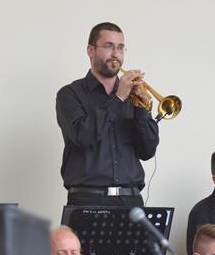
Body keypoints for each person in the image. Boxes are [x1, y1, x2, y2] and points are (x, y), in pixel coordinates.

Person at [56, 22, 159, 208]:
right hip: (87, 200)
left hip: (131, 200)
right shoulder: (70, 94)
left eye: (120, 48)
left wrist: (142, 110)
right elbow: (82, 136)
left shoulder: (133, 96)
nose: (116, 54)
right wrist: (118, 98)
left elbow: (147, 152)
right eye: (109, 46)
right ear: (91, 51)